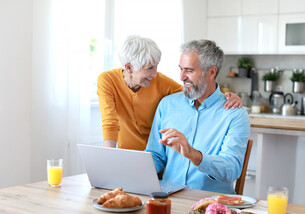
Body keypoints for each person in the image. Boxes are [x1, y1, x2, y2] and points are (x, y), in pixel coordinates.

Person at [97, 35, 242, 151]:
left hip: (156, 157)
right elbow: (110, 122)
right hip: (127, 155)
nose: (155, 74)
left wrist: (225, 97)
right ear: (128, 68)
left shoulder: (161, 82)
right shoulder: (107, 80)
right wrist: (110, 159)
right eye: (149, 68)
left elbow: (195, 93)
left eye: (156, 67)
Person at [145, 39, 250, 194]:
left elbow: (231, 169)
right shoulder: (167, 105)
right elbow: (155, 156)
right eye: (180, 69)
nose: (181, 77)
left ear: (212, 72)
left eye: (189, 70)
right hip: (168, 199)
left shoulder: (234, 113)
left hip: (211, 205)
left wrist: (194, 155)